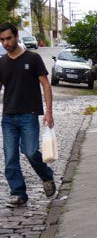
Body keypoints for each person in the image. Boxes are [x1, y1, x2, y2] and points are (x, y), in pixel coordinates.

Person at [0, 23, 55, 208]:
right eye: (2, 40)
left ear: (16, 36)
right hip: (8, 117)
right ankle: (18, 193)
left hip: (29, 115)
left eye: (8, 38)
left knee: (30, 152)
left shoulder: (33, 58)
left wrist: (48, 112)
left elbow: (45, 85)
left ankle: (46, 176)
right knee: (10, 159)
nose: (5, 43)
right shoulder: (1, 62)